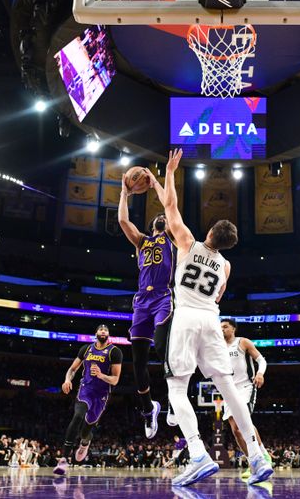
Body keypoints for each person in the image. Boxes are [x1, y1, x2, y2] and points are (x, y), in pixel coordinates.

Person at [157, 149, 273, 487]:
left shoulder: (189, 244)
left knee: (177, 387)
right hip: (211, 319)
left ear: (210, 231)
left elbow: (170, 208)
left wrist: (168, 173)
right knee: (227, 388)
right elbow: (219, 295)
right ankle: (256, 454)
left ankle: (198, 455)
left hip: (186, 317)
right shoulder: (226, 266)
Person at [118, 172, 174, 438]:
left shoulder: (172, 237)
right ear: (153, 224)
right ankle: (148, 408)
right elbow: (122, 220)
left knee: (163, 348)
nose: (162, 219)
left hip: (163, 297)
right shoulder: (142, 241)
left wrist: (154, 184)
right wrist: (123, 192)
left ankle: (174, 400)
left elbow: (169, 205)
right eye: (159, 219)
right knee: (138, 361)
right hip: (142, 301)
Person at [53, 325, 122, 475]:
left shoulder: (115, 352)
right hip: (85, 390)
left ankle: (85, 443)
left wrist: (101, 375)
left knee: (86, 431)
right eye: (100, 330)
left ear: (108, 335)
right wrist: (67, 380)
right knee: (77, 416)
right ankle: (64, 459)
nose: (103, 331)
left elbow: (115, 379)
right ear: (96, 333)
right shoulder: (86, 349)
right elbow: (72, 369)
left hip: (101, 395)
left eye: (106, 330)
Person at [220, 318, 271, 478]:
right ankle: (252, 462)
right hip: (228, 392)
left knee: (244, 423)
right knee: (236, 430)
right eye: (220, 327)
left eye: (225, 327)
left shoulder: (242, 342)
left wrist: (260, 373)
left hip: (245, 387)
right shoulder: (218, 347)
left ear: (233, 329)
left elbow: (261, 360)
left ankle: (263, 456)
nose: (222, 329)